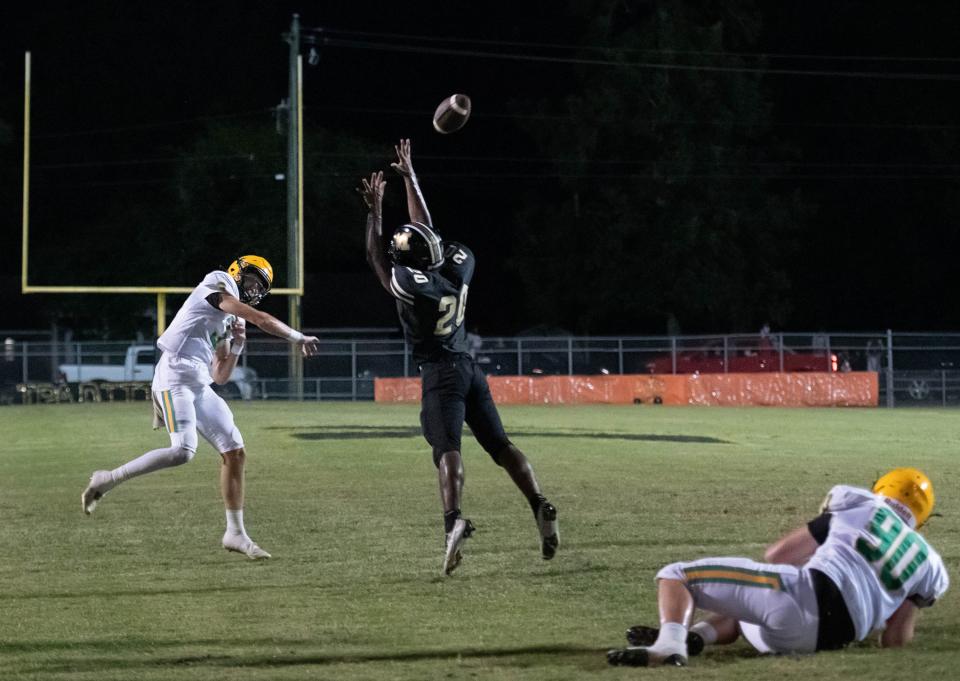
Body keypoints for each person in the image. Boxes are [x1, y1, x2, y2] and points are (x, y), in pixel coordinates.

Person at [358, 139, 559, 576]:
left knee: (447, 448)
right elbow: (426, 232)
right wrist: (410, 176)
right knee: (501, 446)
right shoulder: (457, 266)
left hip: (440, 372)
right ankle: (539, 503)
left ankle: (453, 522)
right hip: (470, 367)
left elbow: (377, 254)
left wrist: (375, 209)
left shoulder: (412, 285)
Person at [81, 255, 319, 559]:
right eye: (252, 281)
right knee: (183, 451)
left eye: (260, 287)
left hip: (198, 384)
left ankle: (235, 532)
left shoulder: (232, 319)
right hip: (172, 379)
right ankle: (107, 479)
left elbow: (219, 375)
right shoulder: (217, 281)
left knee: (235, 451)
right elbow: (260, 318)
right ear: (238, 272)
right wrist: (298, 337)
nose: (253, 290)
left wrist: (237, 346)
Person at [607, 467, 949, 667]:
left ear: (883, 487)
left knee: (677, 575)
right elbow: (896, 639)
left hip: (803, 599)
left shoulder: (860, 504)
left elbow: (778, 554)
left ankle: (669, 645)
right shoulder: (928, 562)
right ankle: (696, 635)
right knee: (750, 601)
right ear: (920, 517)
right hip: (828, 639)